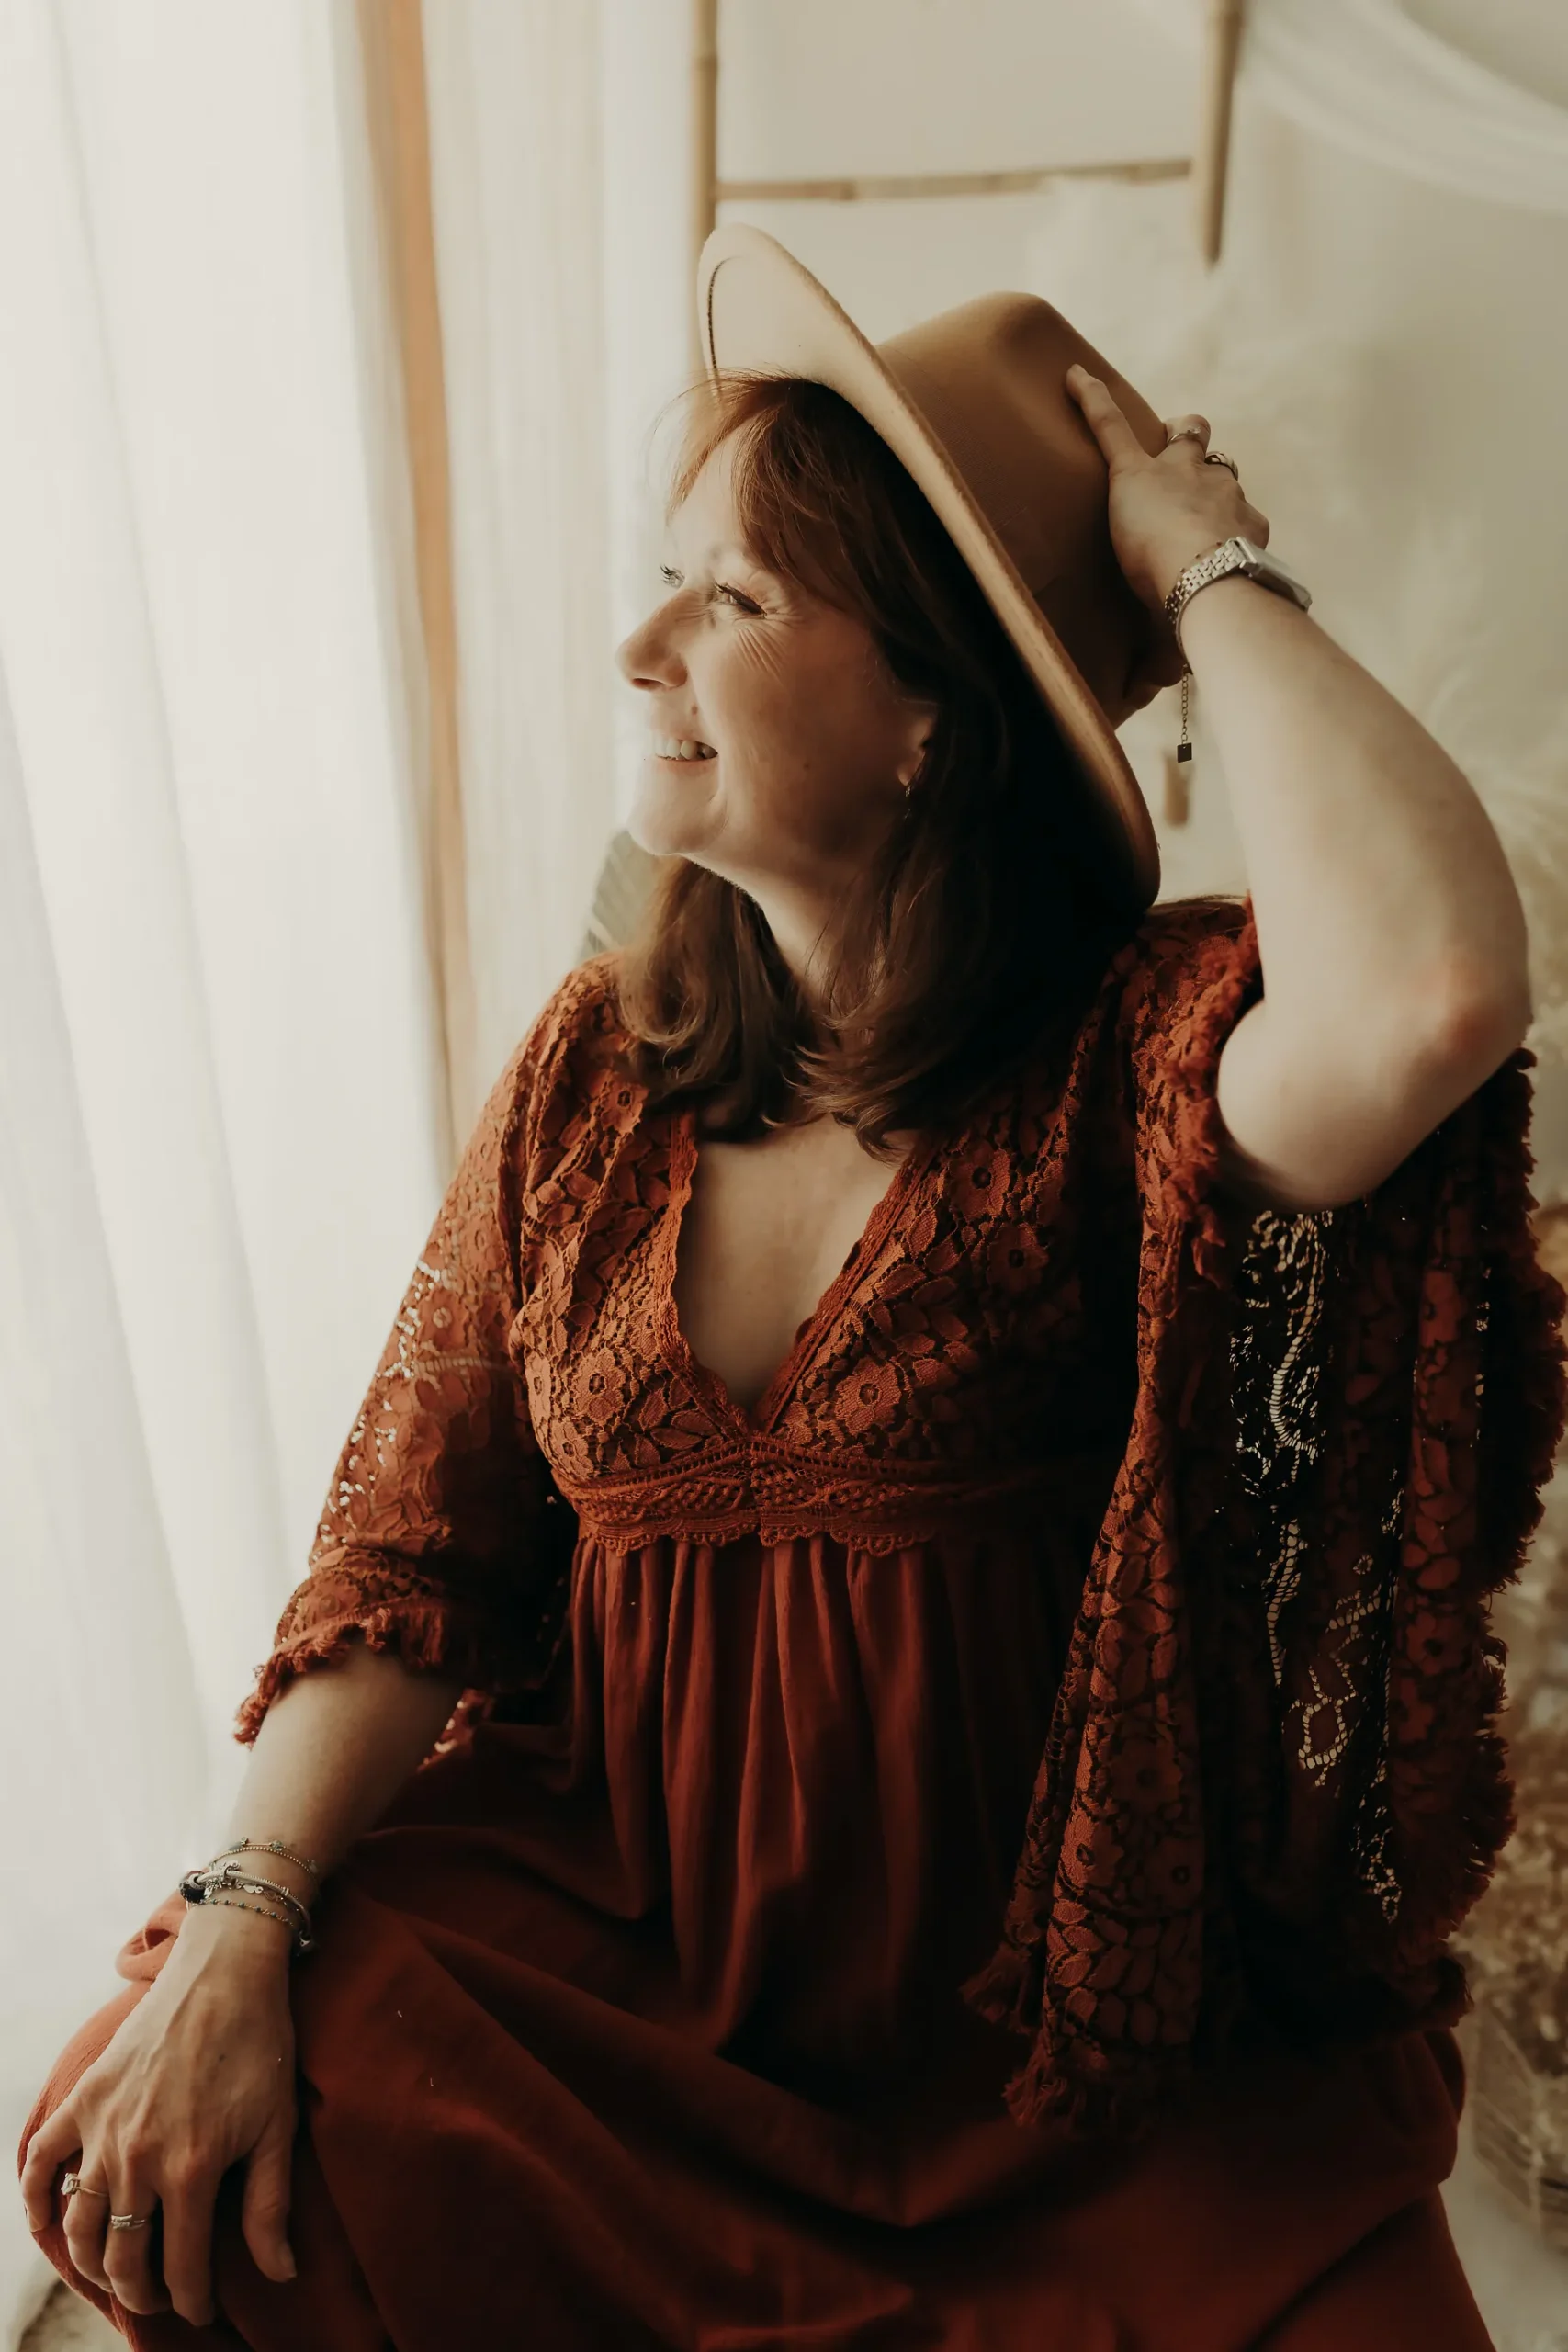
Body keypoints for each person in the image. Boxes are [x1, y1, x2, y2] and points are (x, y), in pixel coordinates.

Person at [18, 223, 1565, 2349]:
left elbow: (1437, 989)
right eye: (665, 577)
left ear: (935, 713)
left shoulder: (1135, 1059)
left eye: (733, 598)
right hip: (626, 2008)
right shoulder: (595, 1072)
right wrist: (240, 1918)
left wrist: (1198, 562)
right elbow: (408, 1559)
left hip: (1062, 2086)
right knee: (151, 2131)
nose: (638, 642)